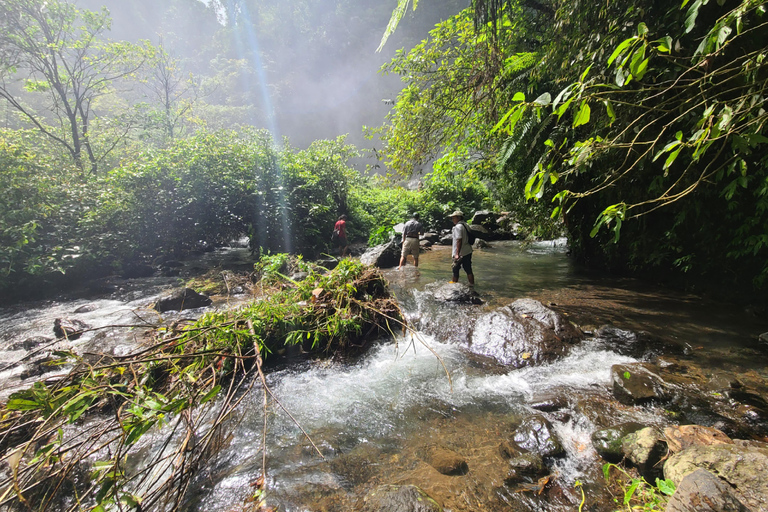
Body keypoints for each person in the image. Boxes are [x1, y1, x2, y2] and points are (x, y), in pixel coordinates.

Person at [449, 210, 474, 286]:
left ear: (459, 218)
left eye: (454, 218)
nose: (452, 219)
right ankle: (471, 284)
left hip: (461, 252)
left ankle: (454, 284)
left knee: (455, 269)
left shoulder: (458, 227)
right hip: (468, 250)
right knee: (468, 269)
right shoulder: (466, 225)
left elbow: (459, 240)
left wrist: (457, 254)